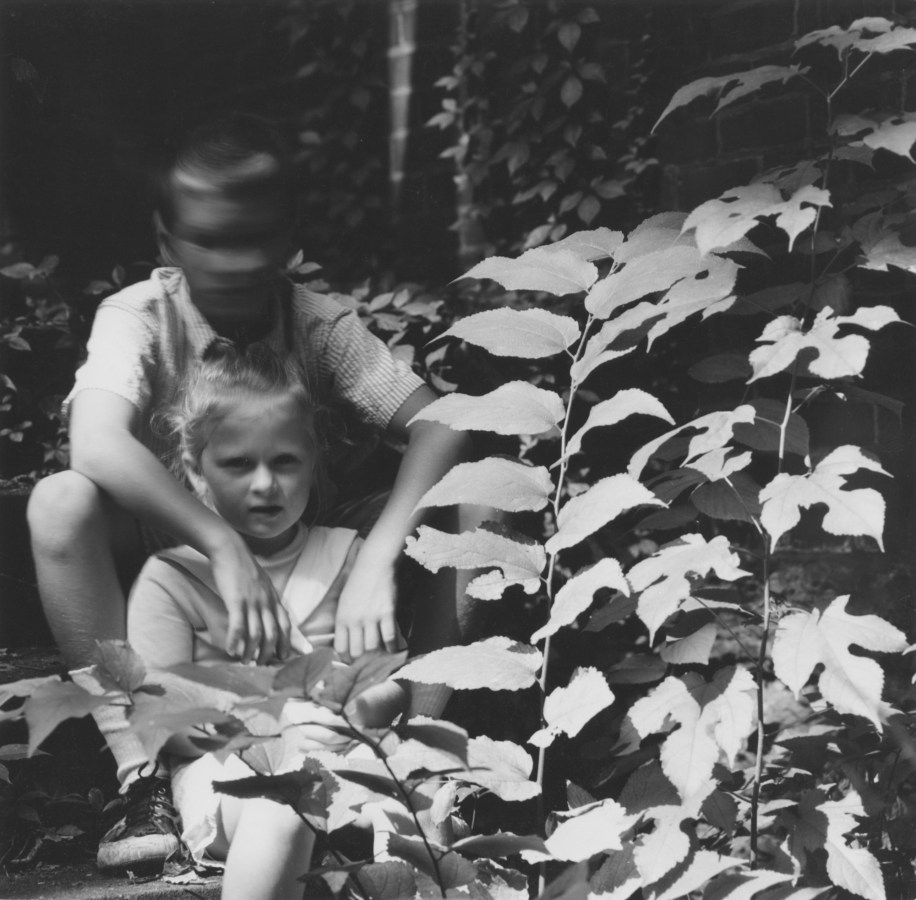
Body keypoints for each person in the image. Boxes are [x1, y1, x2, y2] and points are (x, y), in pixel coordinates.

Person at [26, 111, 475, 874]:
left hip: (306, 544)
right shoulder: (140, 316)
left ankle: (422, 770)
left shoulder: (316, 321)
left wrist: (378, 560)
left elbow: (445, 425)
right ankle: (142, 772)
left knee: (477, 504)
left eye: (251, 238)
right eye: (207, 239)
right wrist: (220, 542)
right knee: (59, 503)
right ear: (165, 241)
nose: (232, 262)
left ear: (287, 240)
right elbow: (96, 442)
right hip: (176, 563)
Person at [102, 342, 404, 899]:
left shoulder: (347, 556)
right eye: (238, 464)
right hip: (233, 777)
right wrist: (281, 719)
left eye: (285, 461)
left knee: (417, 807)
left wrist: (359, 707)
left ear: (313, 462)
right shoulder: (170, 579)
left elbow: (388, 680)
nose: (265, 484)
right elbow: (166, 720)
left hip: (344, 756)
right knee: (283, 808)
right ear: (195, 471)